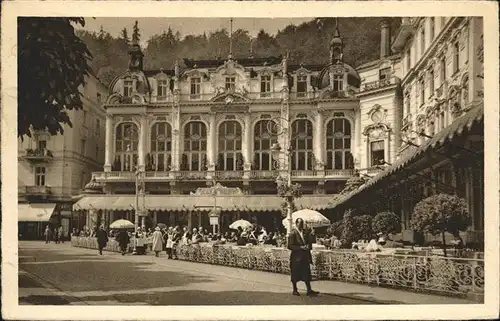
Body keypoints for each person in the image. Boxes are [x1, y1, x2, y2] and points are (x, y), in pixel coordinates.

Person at [287, 218, 319, 296]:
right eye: (300, 223)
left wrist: (308, 245)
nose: (301, 225)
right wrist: (300, 248)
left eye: (302, 223)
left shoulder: (305, 232)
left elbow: (309, 241)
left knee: (306, 273)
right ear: (296, 223)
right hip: (296, 257)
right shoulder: (293, 233)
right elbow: (290, 246)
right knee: (295, 273)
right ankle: (295, 290)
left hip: (304, 256)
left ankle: (309, 290)